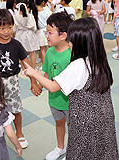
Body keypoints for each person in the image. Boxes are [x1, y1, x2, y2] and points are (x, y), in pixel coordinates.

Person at [24, 17, 119, 160]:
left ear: (80, 43)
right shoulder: (99, 59)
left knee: (82, 147)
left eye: (71, 41)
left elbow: (52, 86)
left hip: (84, 118)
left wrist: (32, 72)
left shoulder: (78, 65)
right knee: (102, 147)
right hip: (104, 114)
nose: (69, 43)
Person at [0, 9, 42, 149]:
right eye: (2, 28)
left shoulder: (16, 44)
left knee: (15, 109)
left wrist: (33, 82)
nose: (7, 31)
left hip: (13, 82)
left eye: (9, 27)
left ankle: (19, 133)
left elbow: (26, 65)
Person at [40, 12, 73, 160]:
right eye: (46, 32)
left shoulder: (73, 54)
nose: (47, 35)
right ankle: (60, 147)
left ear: (63, 35)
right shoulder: (50, 52)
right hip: (54, 99)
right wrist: (38, 86)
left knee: (73, 128)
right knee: (59, 123)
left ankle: (73, 151)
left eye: (50, 32)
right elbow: (46, 75)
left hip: (71, 101)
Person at [14, 0, 40, 69]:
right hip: (29, 34)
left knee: (20, 54)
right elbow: (34, 27)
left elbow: (13, 29)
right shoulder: (30, 16)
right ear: (27, 5)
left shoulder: (15, 17)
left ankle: (23, 68)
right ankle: (33, 68)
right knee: (32, 53)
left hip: (19, 35)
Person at [34, 0, 50, 69]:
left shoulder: (33, 11)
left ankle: (43, 65)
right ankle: (47, 64)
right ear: (43, 2)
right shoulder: (46, 11)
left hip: (38, 32)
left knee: (42, 50)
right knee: (48, 49)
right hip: (46, 31)